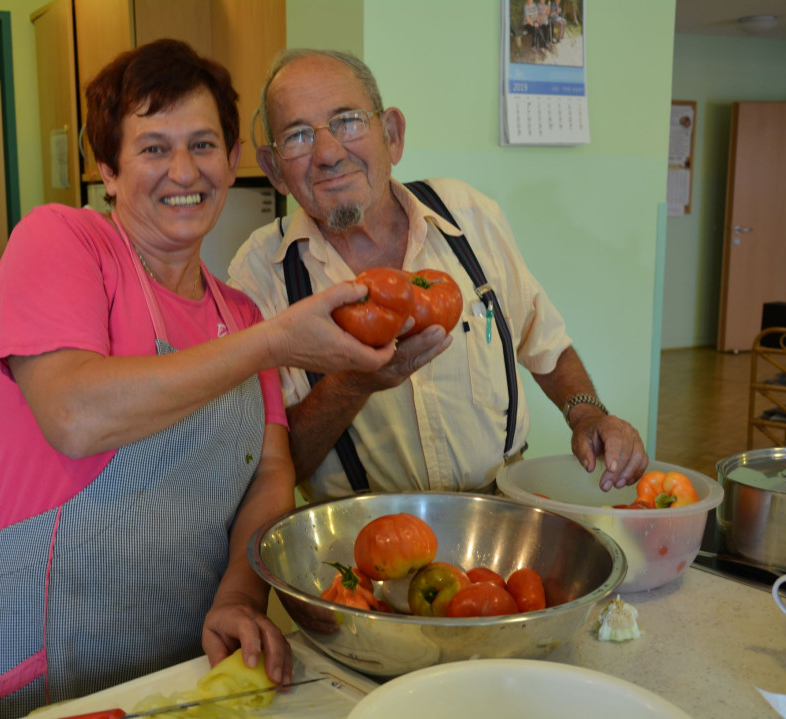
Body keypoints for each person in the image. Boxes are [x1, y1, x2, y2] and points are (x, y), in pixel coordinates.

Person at [0, 40, 393, 718]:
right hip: (47, 654)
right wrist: (272, 340)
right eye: (153, 148)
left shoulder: (237, 310)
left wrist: (241, 594)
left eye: (204, 144)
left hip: (185, 656)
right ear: (108, 170)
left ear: (232, 158)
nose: (184, 170)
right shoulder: (61, 242)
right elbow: (75, 414)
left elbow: (270, 473)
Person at [227, 49, 648, 504]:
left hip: (501, 517)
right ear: (274, 169)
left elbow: (541, 337)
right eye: (298, 136)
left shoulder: (469, 215)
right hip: (361, 544)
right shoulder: (258, 273)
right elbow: (275, 464)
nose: (328, 153)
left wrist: (585, 414)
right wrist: (352, 384)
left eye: (348, 121)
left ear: (392, 135)